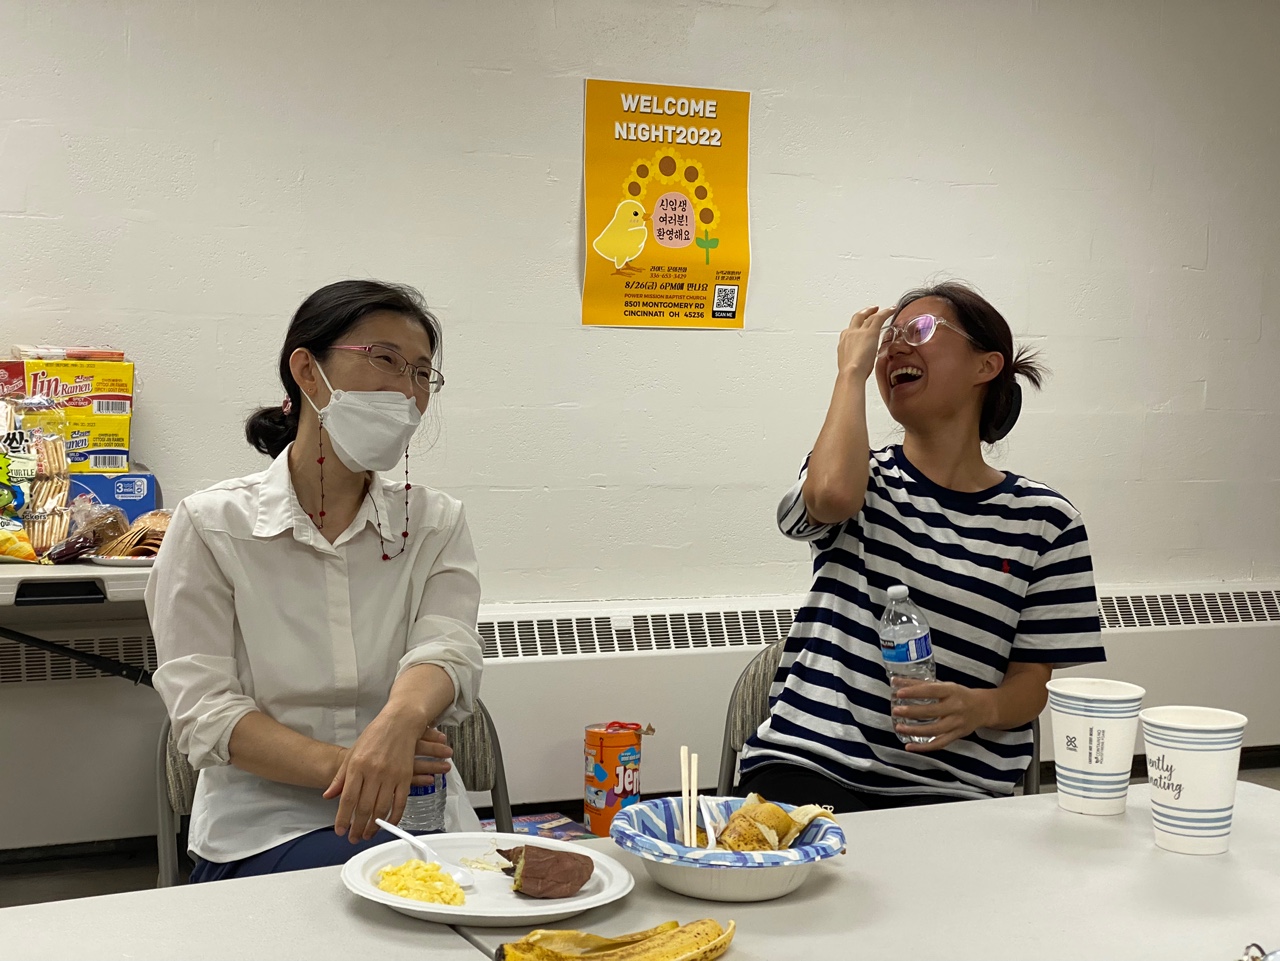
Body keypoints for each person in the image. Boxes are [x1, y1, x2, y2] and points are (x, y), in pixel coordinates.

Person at [147, 280, 484, 880]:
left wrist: (400, 723)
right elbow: (205, 710)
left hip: (419, 814)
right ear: (307, 371)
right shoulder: (212, 526)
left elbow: (447, 649)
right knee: (384, 905)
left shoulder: (434, 521)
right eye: (384, 359)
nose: (407, 391)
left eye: (421, 373)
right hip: (263, 824)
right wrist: (360, 764)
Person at [736, 281, 1105, 813]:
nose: (894, 348)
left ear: (986, 365)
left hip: (954, 795)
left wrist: (979, 708)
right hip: (812, 768)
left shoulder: (1047, 521)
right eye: (888, 338)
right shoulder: (860, 476)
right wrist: (850, 372)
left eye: (921, 330)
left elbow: (1031, 684)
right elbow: (832, 496)